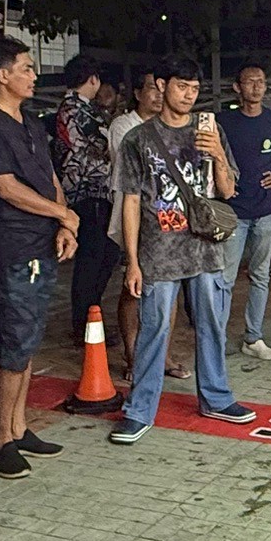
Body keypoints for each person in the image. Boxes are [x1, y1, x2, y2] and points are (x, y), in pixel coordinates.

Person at [110, 59, 255, 444]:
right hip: (159, 253)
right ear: (162, 85)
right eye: (181, 87)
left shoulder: (210, 131)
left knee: (212, 325)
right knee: (154, 329)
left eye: (194, 89)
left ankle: (217, 398)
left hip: (205, 249)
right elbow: (130, 202)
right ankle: (139, 410)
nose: (189, 95)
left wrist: (218, 154)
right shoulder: (138, 139)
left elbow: (227, 191)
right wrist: (132, 261)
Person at [0, 39, 77, 480]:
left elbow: (50, 178)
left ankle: (19, 426)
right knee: (14, 341)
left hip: (40, 240)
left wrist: (64, 222)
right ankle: (1, 440)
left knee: (28, 339)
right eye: (26, 68)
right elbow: (6, 187)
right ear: (3, 75)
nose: (33, 76)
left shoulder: (29, 121)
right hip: (11, 245)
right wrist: (62, 214)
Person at [217, 61, 271, 361]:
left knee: (260, 276)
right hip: (233, 212)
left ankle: (253, 338)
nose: (256, 87)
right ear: (237, 87)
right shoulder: (224, 122)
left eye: (261, 82)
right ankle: (216, 339)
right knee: (224, 279)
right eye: (250, 81)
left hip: (266, 210)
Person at [110, 70, 186, 380]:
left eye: (161, 88)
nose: (157, 94)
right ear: (138, 94)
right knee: (134, 287)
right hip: (136, 218)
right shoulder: (124, 127)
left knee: (171, 286)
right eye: (151, 89)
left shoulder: (174, 126)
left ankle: (163, 356)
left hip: (170, 218)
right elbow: (138, 174)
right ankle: (133, 357)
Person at [51, 55, 121, 348]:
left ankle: (90, 317)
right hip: (89, 192)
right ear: (93, 79)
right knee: (94, 260)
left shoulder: (70, 109)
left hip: (84, 193)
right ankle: (86, 322)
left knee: (100, 257)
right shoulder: (79, 110)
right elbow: (99, 150)